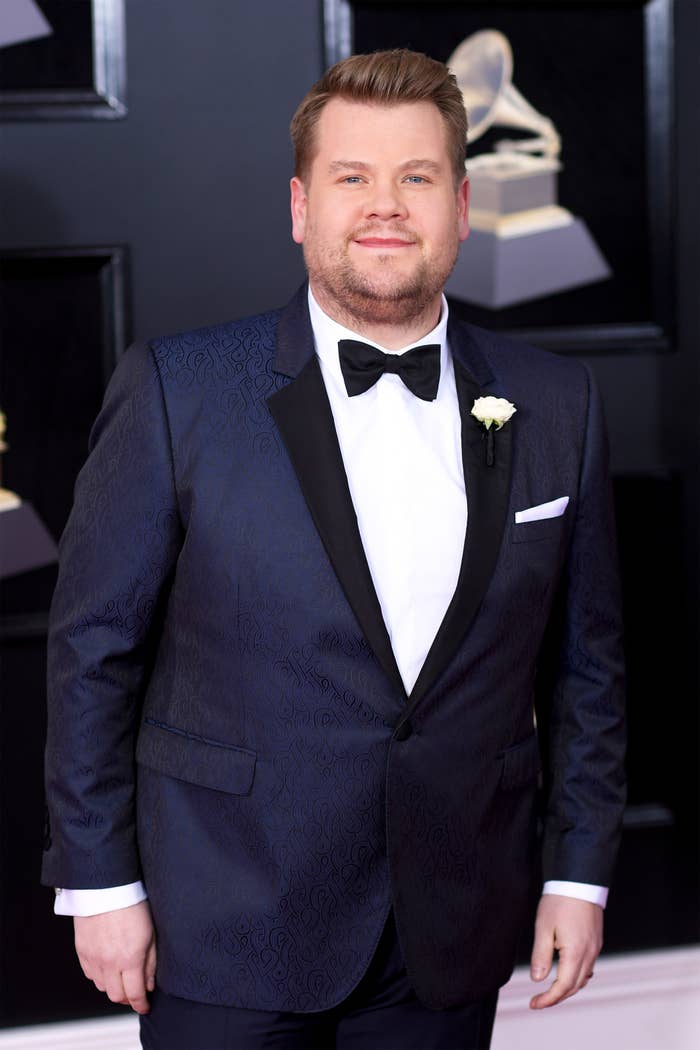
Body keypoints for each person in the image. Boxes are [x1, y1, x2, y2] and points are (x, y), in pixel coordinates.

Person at [42, 49, 625, 1050]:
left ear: (462, 203)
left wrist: (577, 870)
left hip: (448, 926)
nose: (385, 206)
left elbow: (588, 668)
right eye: (352, 177)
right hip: (222, 923)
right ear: (301, 206)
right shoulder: (180, 390)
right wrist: (99, 882)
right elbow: (95, 650)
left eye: (417, 177)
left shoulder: (556, 401)